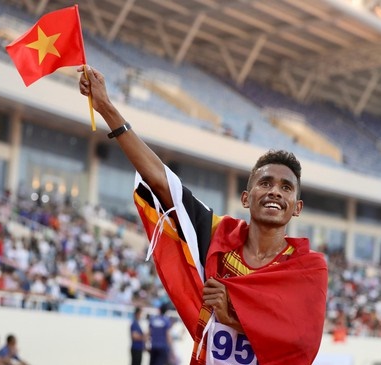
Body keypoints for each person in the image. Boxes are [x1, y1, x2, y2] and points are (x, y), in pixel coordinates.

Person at [78, 66, 328, 365]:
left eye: (286, 187)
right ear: (246, 199)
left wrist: (233, 316)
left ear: (296, 207)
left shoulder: (307, 267)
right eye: (265, 183)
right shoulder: (217, 237)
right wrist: (106, 107)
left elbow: (303, 343)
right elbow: (161, 180)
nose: (275, 191)